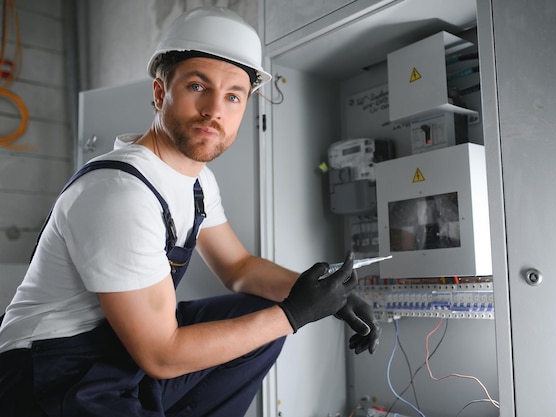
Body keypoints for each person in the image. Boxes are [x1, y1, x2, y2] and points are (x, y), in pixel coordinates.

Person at [0, 6, 380, 417]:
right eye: (198, 86)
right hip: (49, 371)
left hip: (117, 349)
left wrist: (327, 295)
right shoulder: (120, 194)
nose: (215, 110)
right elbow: (161, 355)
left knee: (256, 318)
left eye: (233, 96)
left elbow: (239, 268)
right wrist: (293, 314)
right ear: (161, 93)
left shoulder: (197, 183)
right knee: (269, 321)